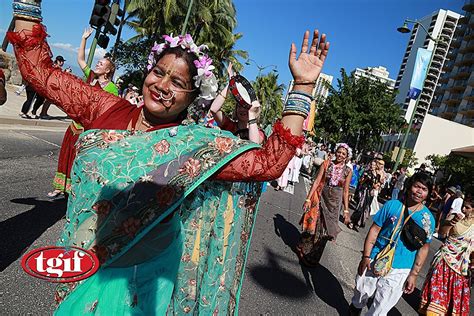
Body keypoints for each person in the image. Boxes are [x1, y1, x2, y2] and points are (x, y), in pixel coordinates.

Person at [9, 5, 329, 313]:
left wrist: (302, 85)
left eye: (177, 83)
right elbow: (40, 73)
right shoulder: (105, 108)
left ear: (192, 96)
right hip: (84, 271)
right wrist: (27, 5)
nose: (161, 86)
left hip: (143, 289)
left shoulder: (194, 147)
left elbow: (268, 164)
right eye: (158, 73)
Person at [349, 172, 435, 315]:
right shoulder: (392, 205)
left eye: (424, 189)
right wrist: (366, 256)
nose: (419, 191)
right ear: (409, 186)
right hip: (376, 257)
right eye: (416, 186)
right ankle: (355, 308)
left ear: (428, 193)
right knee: (361, 290)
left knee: (382, 306)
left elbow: (424, 248)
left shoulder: (428, 219)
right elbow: (374, 230)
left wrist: (413, 274)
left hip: (400, 268)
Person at [47, 28, 119, 199]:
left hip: (88, 130)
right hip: (74, 126)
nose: (97, 64)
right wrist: (83, 39)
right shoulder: (91, 76)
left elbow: (109, 111)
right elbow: (80, 59)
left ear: (108, 71)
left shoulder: (112, 88)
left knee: (77, 162)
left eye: (101, 64)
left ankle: (73, 190)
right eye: (98, 62)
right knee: (65, 156)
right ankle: (59, 187)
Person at [297, 143, 353, 267]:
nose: (340, 155)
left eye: (344, 154)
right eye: (339, 152)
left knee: (325, 232)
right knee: (315, 225)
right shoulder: (326, 164)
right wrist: (308, 199)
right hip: (321, 197)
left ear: (347, 156)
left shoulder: (348, 171)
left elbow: (346, 190)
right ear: (335, 152)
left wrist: (346, 210)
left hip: (334, 204)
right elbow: (317, 181)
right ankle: (304, 248)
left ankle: (314, 257)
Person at [419, 196, 473, 316]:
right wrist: (451, 222)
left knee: (453, 292)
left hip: (461, 265)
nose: (463, 209)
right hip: (445, 257)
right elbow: (442, 232)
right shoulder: (456, 216)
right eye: (463, 205)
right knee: (436, 288)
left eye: (467, 207)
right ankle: (431, 310)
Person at [210, 62, 265, 144]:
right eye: (239, 106)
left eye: (246, 106)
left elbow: (254, 143)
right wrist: (231, 84)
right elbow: (214, 110)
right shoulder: (229, 125)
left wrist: (251, 114)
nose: (242, 109)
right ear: (235, 109)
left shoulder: (259, 133)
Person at [349, 160, 380, 229]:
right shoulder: (367, 172)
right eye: (371, 164)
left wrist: (377, 186)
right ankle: (352, 221)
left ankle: (359, 223)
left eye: (374, 165)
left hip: (371, 193)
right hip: (364, 191)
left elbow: (377, 184)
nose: (372, 166)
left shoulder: (377, 175)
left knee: (366, 208)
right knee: (360, 206)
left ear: (376, 166)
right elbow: (361, 181)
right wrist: (366, 178)